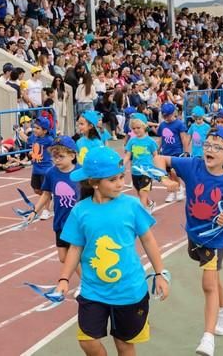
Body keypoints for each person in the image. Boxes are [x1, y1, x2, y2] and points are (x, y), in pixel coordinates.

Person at [55, 146, 169, 356]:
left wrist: (161, 273)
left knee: (124, 344)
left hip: (129, 291)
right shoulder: (81, 211)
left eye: (121, 177)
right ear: (95, 183)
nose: (120, 183)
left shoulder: (132, 206)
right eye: (113, 179)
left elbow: (148, 240)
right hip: (93, 291)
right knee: (88, 341)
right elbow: (75, 248)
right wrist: (64, 279)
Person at [156, 127, 223, 355]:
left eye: (217, 147)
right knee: (213, 276)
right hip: (194, 235)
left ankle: (208, 338)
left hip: (214, 239)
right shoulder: (192, 165)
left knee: (208, 284)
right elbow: (159, 158)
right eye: (208, 145)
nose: (210, 150)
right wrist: (165, 179)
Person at [28, 136, 81, 281]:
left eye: (61, 156)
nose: (57, 160)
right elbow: (46, 194)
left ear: (72, 155)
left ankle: (86, 283)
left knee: (73, 253)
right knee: (63, 257)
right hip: (60, 221)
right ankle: (88, 279)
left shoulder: (81, 173)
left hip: (77, 222)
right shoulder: (51, 173)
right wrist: (34, 211)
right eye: (54, 157)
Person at [17, 117, 54, 219]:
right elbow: (27, 139)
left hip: (45, 169)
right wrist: (19, 131)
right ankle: (49, 198)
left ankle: (46, 210)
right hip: (36, 168)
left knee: (45, 190)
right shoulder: (34, 137)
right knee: (36, 189)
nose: (34, 130)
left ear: (45, 131)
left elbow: (55, 148)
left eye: (38, 128)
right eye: (34, 127)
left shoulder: (49, 140)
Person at [124, 113, 158, 212]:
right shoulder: (132, 141)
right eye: (133, 128)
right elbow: (128, 155)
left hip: (147, 171)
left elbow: (156, 155)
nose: (136, 130)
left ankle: (142, 214)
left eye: (138, 127)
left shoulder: (150, 142)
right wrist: (122, 164)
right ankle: (150, 203)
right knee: (140, 192)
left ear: (144, 127)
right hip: (135, 171)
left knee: (143, 193)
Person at [157, 102, 189, 203]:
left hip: (177, 152)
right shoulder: (162, 125)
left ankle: (179, 188)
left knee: (175, 172)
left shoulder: (179, 124)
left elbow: (183, 138)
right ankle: (172, 191)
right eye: (164, 115)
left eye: (168, 115)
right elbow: (161, 139)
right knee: (169, 173)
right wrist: (157, 150)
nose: (166, 117)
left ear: (174, 113)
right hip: (166, 152)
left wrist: (186, 151)